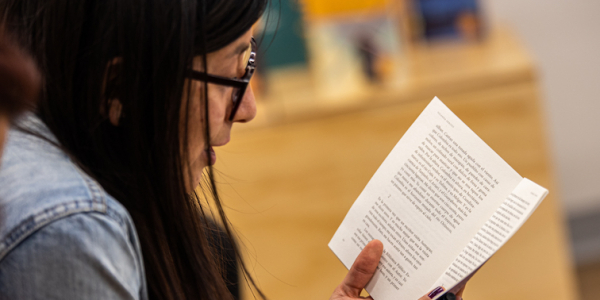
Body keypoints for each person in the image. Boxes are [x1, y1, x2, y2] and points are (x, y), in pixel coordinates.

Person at [0, 1, 464, 299]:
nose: (249, 108)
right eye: (235, 73)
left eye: (252, 60)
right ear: (120, 85)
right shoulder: (68, 229)